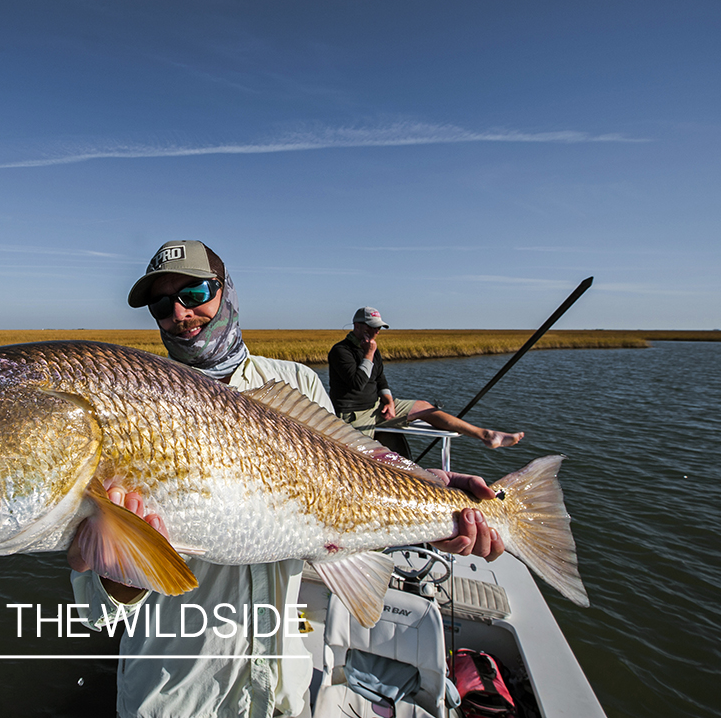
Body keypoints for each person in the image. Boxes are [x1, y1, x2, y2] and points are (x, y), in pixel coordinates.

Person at [69, 241, 503, 718]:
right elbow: (98, 612)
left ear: (226, 291)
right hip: (176, 698)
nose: (180, 312)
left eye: (194, 292)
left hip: (282, 693)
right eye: (161, 304)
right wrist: (122, 565)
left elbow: (351, 484)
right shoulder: (128, 397)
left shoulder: (297, 383)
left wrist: (430, 499)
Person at [328, 307, 525, 449]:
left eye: (379, 327)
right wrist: (368, 354)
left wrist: (388, 400)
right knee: (360, 458)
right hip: (352, 415)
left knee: (425, 406)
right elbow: (357, 382)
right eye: (372, 327)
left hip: (377, 407)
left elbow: (380, 378)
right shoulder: (341, 351)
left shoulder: (372, 348)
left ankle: (487, 435)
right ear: (357, 326)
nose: (376, 331)